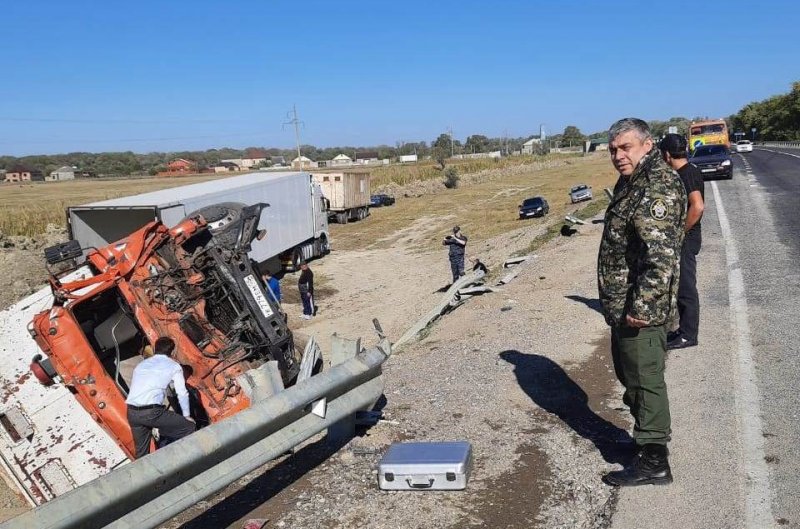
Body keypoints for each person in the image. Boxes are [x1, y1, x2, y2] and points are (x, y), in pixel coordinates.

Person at [598, 118, 687, 487]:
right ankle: (644, 441)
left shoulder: (657, 185)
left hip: (640, 311)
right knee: (631, 376)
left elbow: (660, 257)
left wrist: (642, 309)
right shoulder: (632, 180)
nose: (619, 155)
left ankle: (654, 461)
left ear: (648, 145)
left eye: (626, 147)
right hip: (625, 306)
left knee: (646, 380)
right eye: (613, 150)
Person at [659, 133, 705, 350]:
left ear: (667, 155)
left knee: (686, 287)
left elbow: (697, 206)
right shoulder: (689, 171)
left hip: (687, 239)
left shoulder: (686, 174)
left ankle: (688, 334)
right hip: (687, 237)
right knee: (680, 285)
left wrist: (680, 232)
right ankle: (683, 329)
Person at [126, 337, 196, 459]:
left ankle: (145, 476)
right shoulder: (174, 366)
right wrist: (186, 416)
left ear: (154, 349)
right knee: (188, 427)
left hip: (132, 413)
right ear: (172, 352)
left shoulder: (141, 365)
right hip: (152, 413)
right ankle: (178, 460)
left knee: (141, 454)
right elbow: (182, 393)